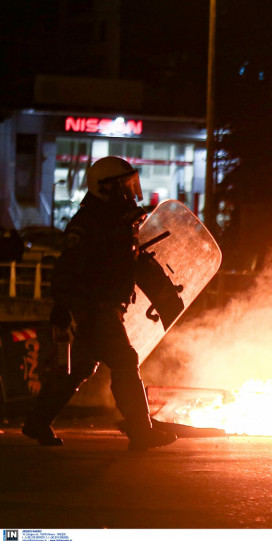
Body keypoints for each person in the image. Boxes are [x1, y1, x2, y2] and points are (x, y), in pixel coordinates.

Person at [22, 156, 177, 451]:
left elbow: (132, 261)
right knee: (125, 361)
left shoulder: (118, 221)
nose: (131, 190)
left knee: (80, 366)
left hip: (106, 305)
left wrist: (165, 294)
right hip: (96, 307)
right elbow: (69, 265)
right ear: (106, 188)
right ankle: (140, 431)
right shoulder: (90, 223)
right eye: (125, 185)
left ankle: (37, 422)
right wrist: (62, 305)